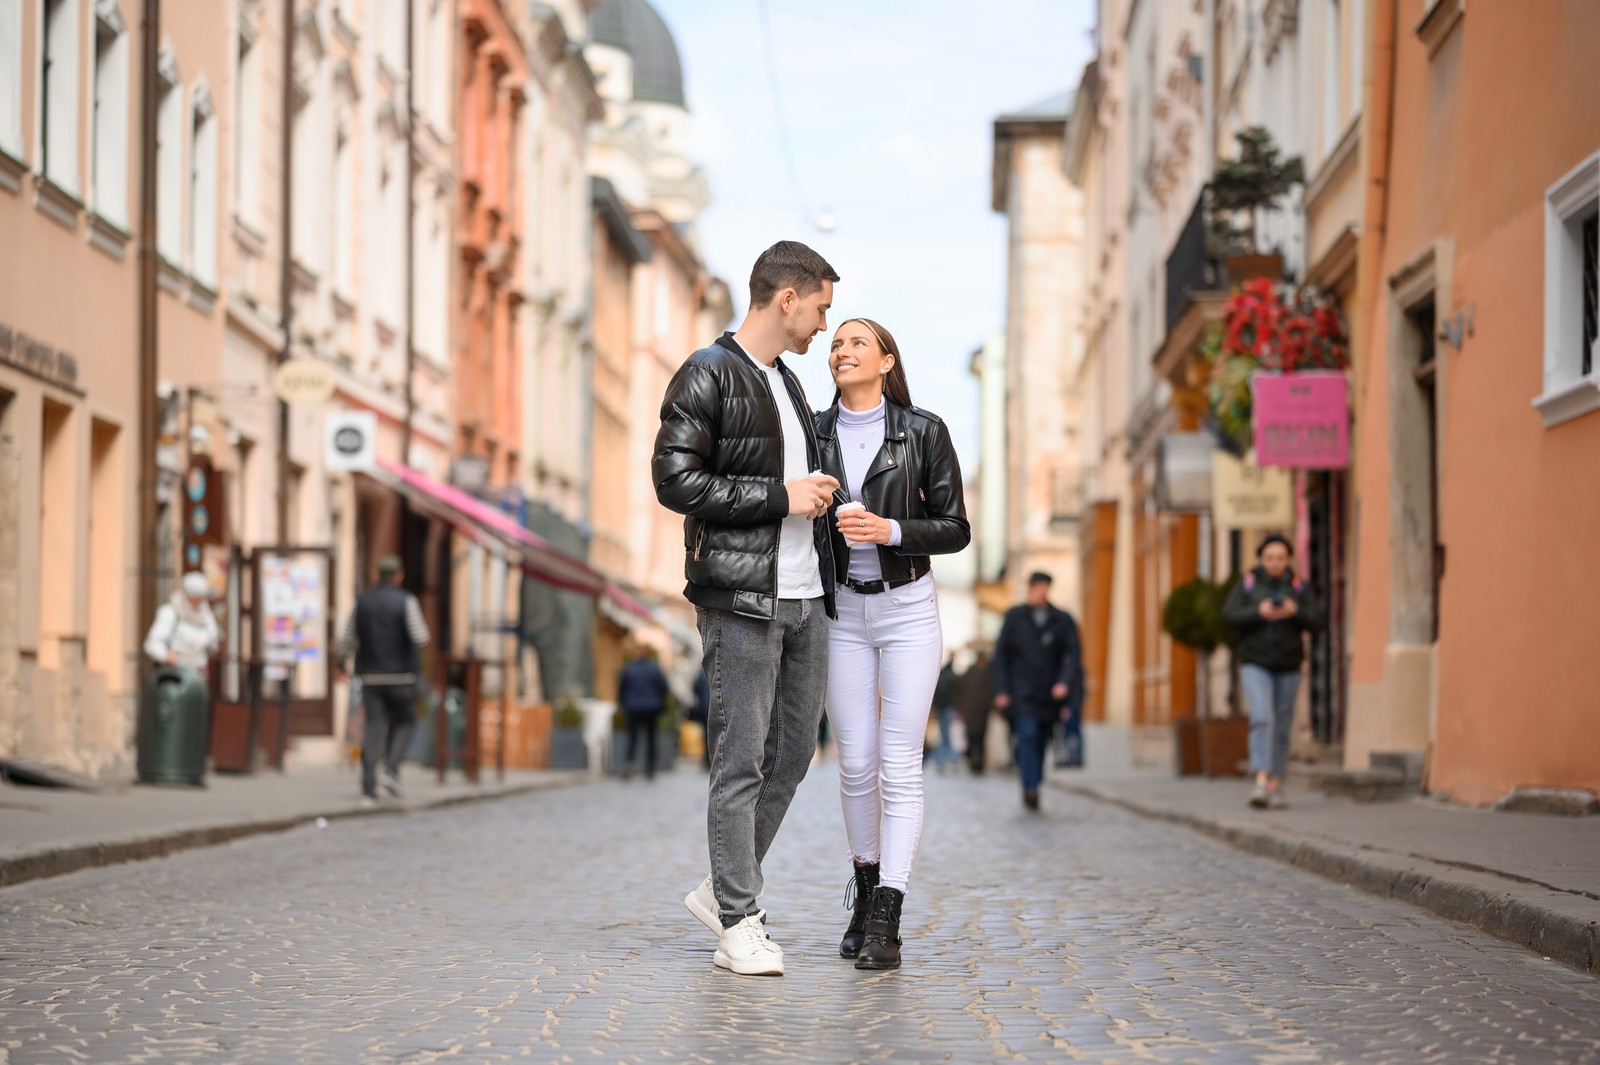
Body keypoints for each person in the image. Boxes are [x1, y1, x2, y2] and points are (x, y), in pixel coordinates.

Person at [653, 240, 841, 977]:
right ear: (787, 298)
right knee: (740, 761)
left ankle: (718, 887)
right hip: (739, 599)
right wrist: (779, 497)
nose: (826, 324)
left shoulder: (788, 386)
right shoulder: (707, 371)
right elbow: (675, 478)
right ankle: (738, 918)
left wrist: (816, 495)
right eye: (821, 307)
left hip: (804, 596)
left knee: (792, 754)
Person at [815, 317, 970, 970]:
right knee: (855, 763)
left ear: (886, 359)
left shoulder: (923, 430)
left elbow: (956, 527)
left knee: (900, 762)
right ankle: (865, 886)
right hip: (841, 611)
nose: (842, 350)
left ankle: (888, 916)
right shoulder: (811, 433)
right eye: (835, 343)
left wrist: (891, 529)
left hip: (908, 609)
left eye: (856, 342)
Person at [1222, 534, 1325, 809]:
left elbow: (1318, 621)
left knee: (1282, 725)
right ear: (1261, 559)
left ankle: (1275, 783)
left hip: (1289, 664)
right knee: (1261, 717)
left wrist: (1296, 611)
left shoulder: (1299, 587)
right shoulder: (1248, 584)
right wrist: (1258, 612)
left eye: (1280, 558)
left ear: (1288, 559)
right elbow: (1229, 615)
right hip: (1255, 662)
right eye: (1270, 558)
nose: (1275, 563)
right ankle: (1260, 779)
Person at [337, 555, 430, 805]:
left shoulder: (362, 601)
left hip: (370, 676)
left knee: (374, 727)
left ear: (378, 575)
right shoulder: (406, 601)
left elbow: (347, 638)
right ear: (399, 576)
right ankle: (391, 769)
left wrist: (340, 661)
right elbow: (421, 636)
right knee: (406, 721)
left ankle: (368, 788)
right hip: (402, 676)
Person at [992, 572, 1084, 811]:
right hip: (1021, 692)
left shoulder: (1062, 620)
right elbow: (1000, 655)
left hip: (1050, 694)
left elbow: (1073, 657)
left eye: (1036, 587)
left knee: (1042, 739)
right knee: (1028, 735)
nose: (1031, 591)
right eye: (1030, 586)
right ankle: (1029, 786)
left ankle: (1034, 783)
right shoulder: (1015, 617)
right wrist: (1002, 689)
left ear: (1046, 588)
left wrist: (1064, 682)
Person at [143, 571, 221, 674]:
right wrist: (167, 656)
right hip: (174, 676)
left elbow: (213, 646)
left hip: (198, 676)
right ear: (186, 595)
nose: (197, 602)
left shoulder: (207, 616)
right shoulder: (170, 613)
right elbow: (152, 644)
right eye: (194, 598)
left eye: (200, 598)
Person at [616, 646, 670, 780]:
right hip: (652, 708)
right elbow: (664, 687)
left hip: (633, 708)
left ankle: (630, 763)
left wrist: (624, 703)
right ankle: (650, 767)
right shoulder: (654, 669)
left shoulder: (629, 668)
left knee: (632, 737)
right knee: (651, 738)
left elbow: (622, 689)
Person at [954, 649, 995, 775]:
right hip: (976, 711)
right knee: (977, 737)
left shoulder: (977, 673)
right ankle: (976, 763)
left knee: (976, 737)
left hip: (975, 711)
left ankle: (976, 762)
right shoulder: (983, 674)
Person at [929, 656, 960, 771]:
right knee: (949, 735)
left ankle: (941, 760)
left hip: (941, 708)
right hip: (949, 708)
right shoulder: (951, 676)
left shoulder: (941, 676)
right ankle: (951, 760)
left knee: (944, 734)